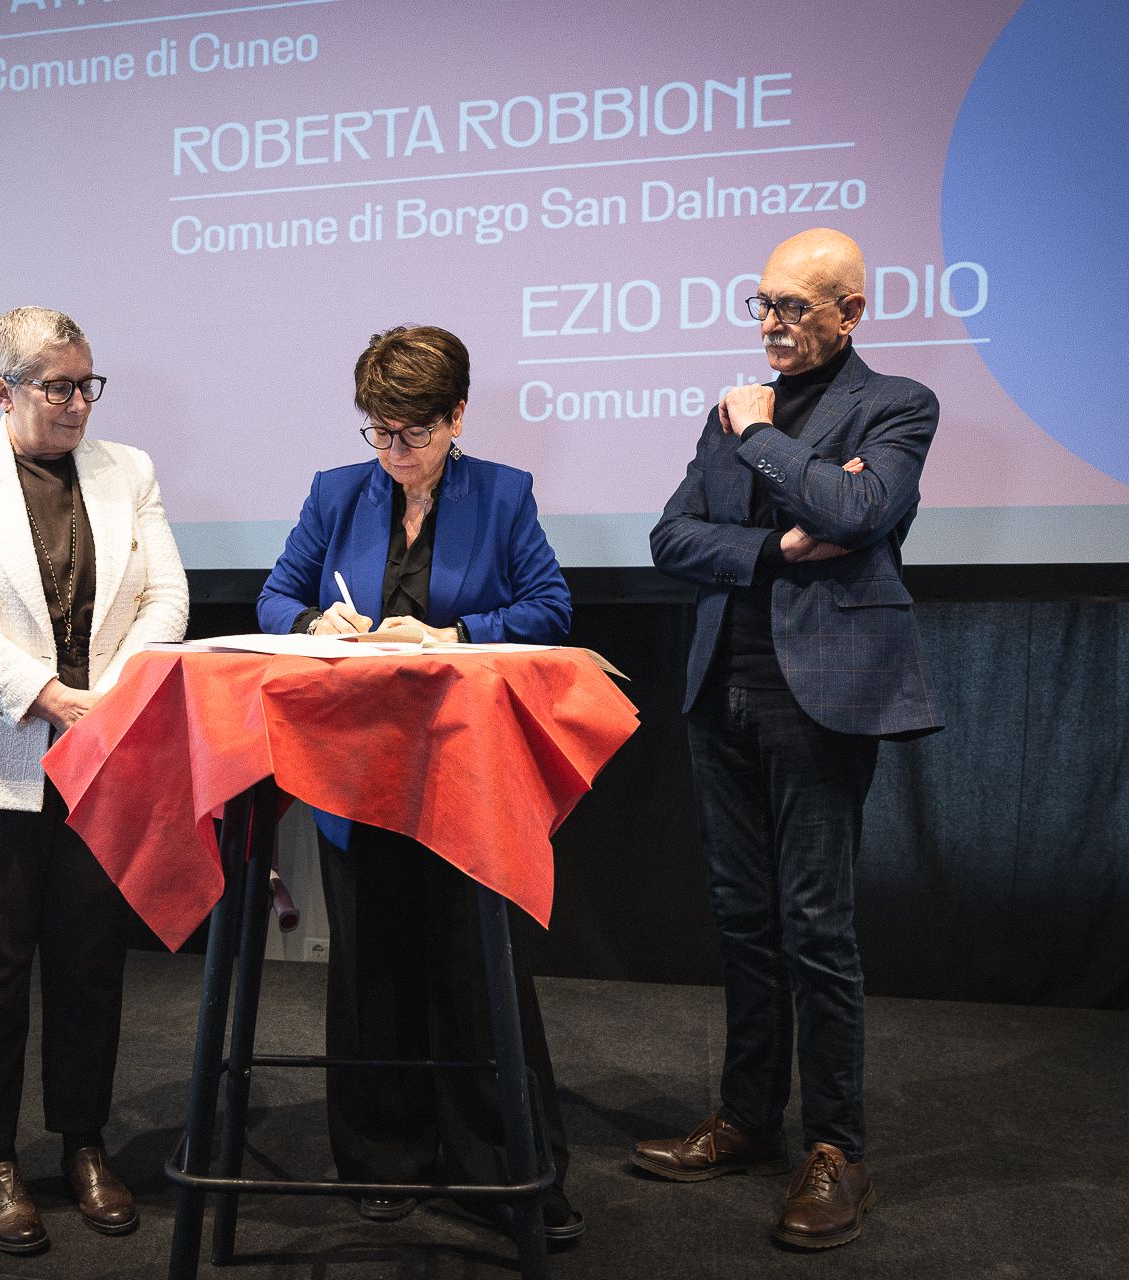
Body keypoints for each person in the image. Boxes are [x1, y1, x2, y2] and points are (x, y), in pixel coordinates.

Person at [640, 228, 944, 1248]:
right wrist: (774, 544)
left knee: (817, 925)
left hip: (822, 699)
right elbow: (671, 537)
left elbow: (858, 509)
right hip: (720, 688)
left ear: (849, 313)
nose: (771, 323)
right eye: (762, 303)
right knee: (743, 917)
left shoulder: (896, 404)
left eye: (793, 307)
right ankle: (747, 1119)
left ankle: (838, 1150)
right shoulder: (727, 413)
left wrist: (766, 438)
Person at [256, 324, 583, 1241]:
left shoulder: (502, 495)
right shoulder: (335, 492)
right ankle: (382, 1155)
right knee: (372, 962)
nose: (394, 451)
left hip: (462, 768)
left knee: (473, 967)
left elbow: (550, 607)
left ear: (457, 417)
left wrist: (453, 636)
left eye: (414, 433)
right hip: (359, 768)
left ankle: (499, 1168)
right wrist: (316, 624)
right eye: (380, 431)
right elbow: (275, 597)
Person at [0, 306, 188, 1255]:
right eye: (57, 386)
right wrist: (48, 696)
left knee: (89, 963)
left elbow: (167, 597)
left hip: (100, 752)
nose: (77, 404)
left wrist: (108, 699)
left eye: (86, 384)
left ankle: (84, 1144)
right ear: (3, 389)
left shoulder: (127, 469)